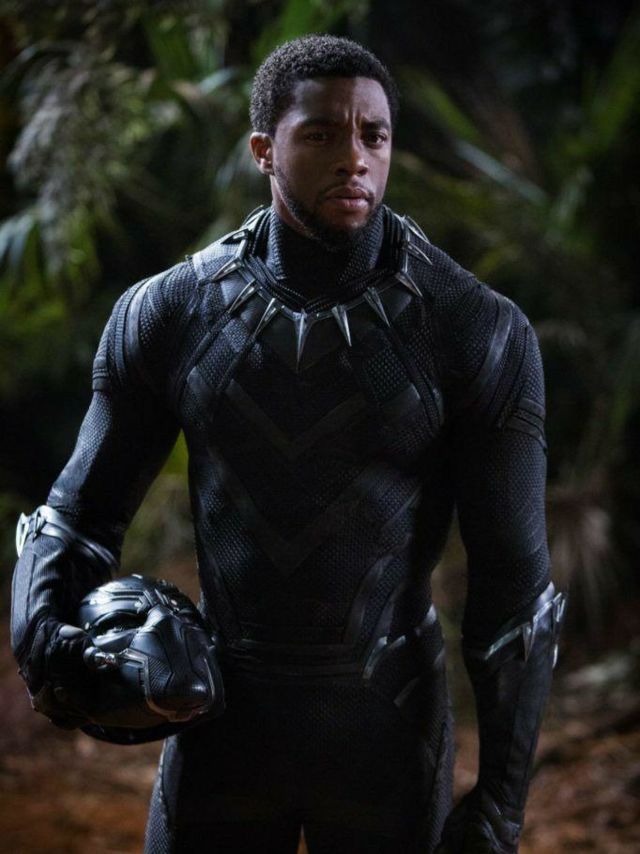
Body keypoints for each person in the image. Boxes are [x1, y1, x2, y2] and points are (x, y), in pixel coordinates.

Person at [11, 34, 565, 854]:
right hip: (222, 726)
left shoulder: (473, 329)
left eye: (373, 135)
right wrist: (49, 651)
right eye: (322, 134)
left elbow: (515, 588)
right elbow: (78, 517)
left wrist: (500, 807)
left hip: (387, 729)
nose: (355, 158)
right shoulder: (168, 312)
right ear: (263, 150)